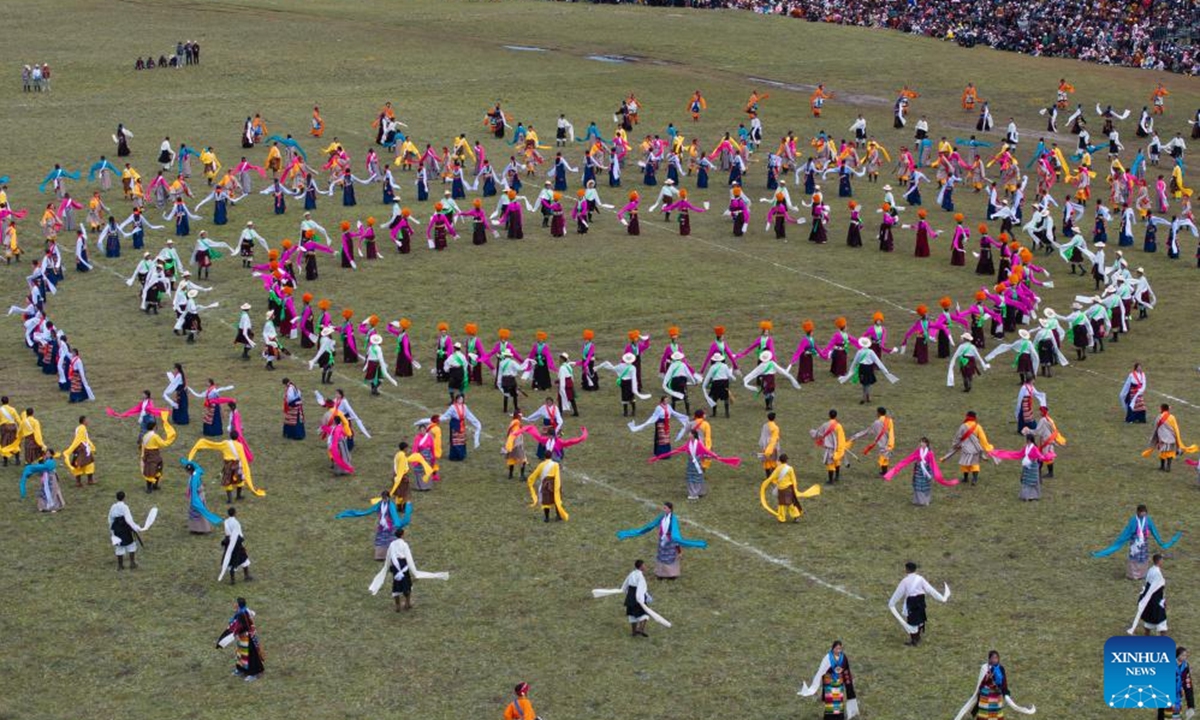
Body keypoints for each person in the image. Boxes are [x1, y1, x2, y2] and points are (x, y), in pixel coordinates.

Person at [616, 502, 706, 580]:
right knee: (662, 556)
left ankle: (672, 574)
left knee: (670, 557)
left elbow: (675, 532)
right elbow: (652, 525)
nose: (664, 509)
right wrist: (643, 531)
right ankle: (661, 574)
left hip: (670, 541)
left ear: (670, 509)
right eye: (663, 508)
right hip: (663, 539)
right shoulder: (662, 517)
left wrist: (675, 542)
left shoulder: (673, 519)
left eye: (665, 508)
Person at [1092, 504, 1181, 580]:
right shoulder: (1133, 520)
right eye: (1142, 512)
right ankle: (1132, 575)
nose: (1143, 514)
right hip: (1135, 543)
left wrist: (1160, 542)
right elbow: (1127, 532)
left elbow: (1154, 531)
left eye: (1145, 512)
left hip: (1144, 542)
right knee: (1134, 557)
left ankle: (1142, 574)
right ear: (1138, 512)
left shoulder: (1148, 520)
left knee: (1143, 558)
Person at [954, 651, 1036, 720]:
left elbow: (1004, 682)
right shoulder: (985, 668)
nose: (995, 659)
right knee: (984, 716)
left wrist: (1005, 692)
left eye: (996, 657)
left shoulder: (1001, 668)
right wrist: (987, 683)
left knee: (996, 716)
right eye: (993, 658)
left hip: (997, 697)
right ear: (989, 659)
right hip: (986, 698)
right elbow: (981, 684)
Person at [887, 561, 950, 646]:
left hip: (912, 602)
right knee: (920, 618)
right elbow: (930, 590)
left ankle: (914, 640)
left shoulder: (905, 581)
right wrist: (941, 598)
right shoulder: (920, 579)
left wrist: (892, 602)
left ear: (907, 569)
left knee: (912, 620)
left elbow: (899, 592)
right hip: (920, 601)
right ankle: (917, 637)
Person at [797, 640, 859, 719]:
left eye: (840, 649)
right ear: (833, 648)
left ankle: (839, 717)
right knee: (831, 704)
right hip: (830, 683)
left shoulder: (843, 657)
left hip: (839, 684)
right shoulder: (827, 658)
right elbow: (821, 671)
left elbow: (846, 670)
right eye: (837, 648)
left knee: (838, 703)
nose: (838, 650)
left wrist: (847, 682)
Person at [759, 454, 820, 523]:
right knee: (791, 503)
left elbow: (773, 477)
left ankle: (781, 518)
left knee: (781, 504)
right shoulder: (790, 469)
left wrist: (768, 483)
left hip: (781, 489)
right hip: (788, 489)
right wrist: (795, 488)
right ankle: (796, 516)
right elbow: (793, 479)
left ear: (780, 460)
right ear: (786, 460)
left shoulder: (778, 468)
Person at [216, 597, 264, 681]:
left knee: (251, 655)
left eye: (235, 603)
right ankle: (241, 669)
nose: (234, 604)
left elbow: (242, 625)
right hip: (242, 637)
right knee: (241, 654)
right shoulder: (241, 612)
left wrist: (233, 631)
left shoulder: (243, 613)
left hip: (248, 637)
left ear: (238, 605)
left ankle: (254, 673)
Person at [942, 411, 994, 485]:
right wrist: (988, 447)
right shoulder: (978, 426)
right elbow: (983, 439)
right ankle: (974, 479)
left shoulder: (963, 426)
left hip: (965, 448)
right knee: (975, 464)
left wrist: (956, 445)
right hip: (975, 449)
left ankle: (965, 478)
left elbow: (958, 436)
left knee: (964, 463)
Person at [1144, 403, 1197, 472]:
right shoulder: (1172, 417)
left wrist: (1155, 439)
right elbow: (1176, 428)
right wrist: (1177, 440)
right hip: (1171, 438)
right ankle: (1168, 467)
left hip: (1162, 438)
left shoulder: (1158, 417)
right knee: (1170, 453)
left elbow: (1156, 428)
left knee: (1162, 452)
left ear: (1161, 409)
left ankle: (1162, 466)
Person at [108, 490, 149, 570]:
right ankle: (132, 563)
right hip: (125, 528)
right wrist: (136, 528)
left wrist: (112, 529)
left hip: (116, 528)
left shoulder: (113, 507)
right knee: (130, 544)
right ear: (124, 497)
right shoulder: (125, 507)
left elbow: (110, 518)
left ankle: (120, 566)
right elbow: (129, 520)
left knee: (119, 545)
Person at [848, 407, 894, 476]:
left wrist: (854, 437)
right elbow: (891, 432)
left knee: (883, 457)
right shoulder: (889, 420)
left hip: (882, 442)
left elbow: (867, 432)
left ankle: (885, 473)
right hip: (889, 441)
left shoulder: (877, 423)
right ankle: (884, 472)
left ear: (878, 413)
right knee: (885, 457)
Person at [1129, 554, 1168, 636]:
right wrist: (1163, 600)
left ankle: (1147, 640)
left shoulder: (1151, 570)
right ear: (1159, 561)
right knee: (1162, 623)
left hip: (1150, 601)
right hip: (1156, 601)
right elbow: (1159, 587)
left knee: (1149, 621)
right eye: (1162, 560)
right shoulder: (1157, 573)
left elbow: (1148, 585)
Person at [811, 409, 849, 484]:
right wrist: (841, 447)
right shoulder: (839, 426)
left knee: (830, 463)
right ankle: (837, 476)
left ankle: (831, 480)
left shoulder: (825, 425)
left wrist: (812, 432)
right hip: (837, 447)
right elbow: (841, 437)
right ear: (836, 416)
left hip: (829, 448)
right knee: (837, 461)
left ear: (829, 415)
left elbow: (819, 433)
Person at [220, 506, 252, 584]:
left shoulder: (226, 522)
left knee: (231, 561)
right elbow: (239, 534)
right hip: (237, 544)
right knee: (244, 558)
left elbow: (227, 533)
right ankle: (246, 576)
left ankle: (232, 580)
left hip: (229, 543)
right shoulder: (236, 523)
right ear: (235, 513)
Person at [63, 415, 97, 486]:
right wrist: (70, 449)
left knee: (79, 463)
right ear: (84, 421)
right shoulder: (82, 428)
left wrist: (91, 446)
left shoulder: (79, 428)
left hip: (81, 448)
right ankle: (87, 481)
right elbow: (79, 439)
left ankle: (80, 482)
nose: (88, 421)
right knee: (88, 463)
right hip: (83, 448)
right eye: (87, 420)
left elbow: (85, 438)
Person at [622, 560, 652, 637]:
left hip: (630, 596)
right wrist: (644, 598)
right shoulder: (641, 576)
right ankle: (641, 629)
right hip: (638, 597)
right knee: (645, 613)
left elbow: (625, 584)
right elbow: (642, 589)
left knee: (632, 615)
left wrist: (625, 591)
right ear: (641, 566)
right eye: (644, 565)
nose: (645, 566)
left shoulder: (631, 573)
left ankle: (634, 632)